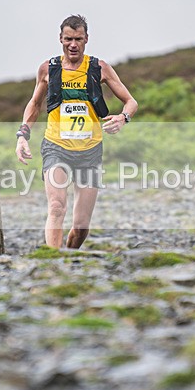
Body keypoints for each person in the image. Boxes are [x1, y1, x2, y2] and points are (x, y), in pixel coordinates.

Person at [15, 15, 138, 248]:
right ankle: (54, 263)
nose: (73, 44)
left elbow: (131, 101)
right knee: (57, 206)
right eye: (68, 39)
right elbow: (34, 104)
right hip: (56, 147)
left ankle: (68, 257)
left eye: (78, 39)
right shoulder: (48, 69)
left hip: (90, 151)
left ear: (86, 39)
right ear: (60, 39)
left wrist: (123, 118)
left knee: (81, 227)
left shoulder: (99, 68)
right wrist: (23, 135)